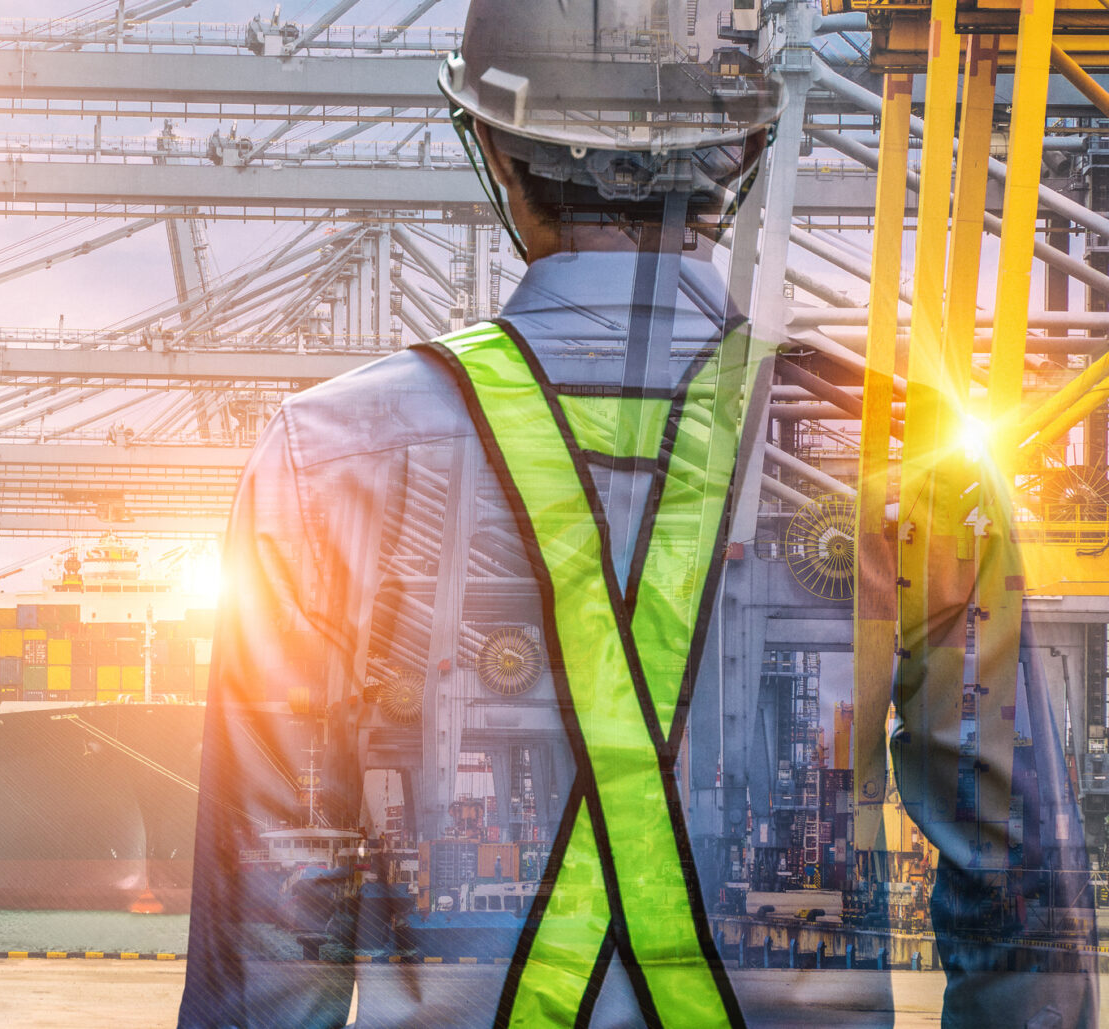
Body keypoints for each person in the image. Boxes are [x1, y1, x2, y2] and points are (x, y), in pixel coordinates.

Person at [176, 1, 1097, 1026]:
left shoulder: (325, 460)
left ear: (489, 142)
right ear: (746, 148)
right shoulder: (911, 458)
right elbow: (1019, 896)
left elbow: (270, 916)